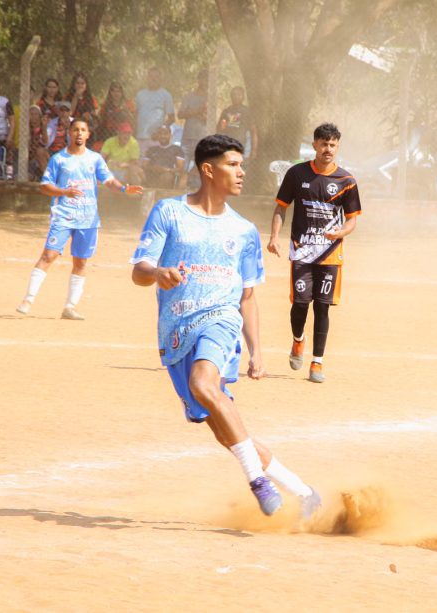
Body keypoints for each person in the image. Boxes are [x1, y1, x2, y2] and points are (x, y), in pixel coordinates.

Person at [130, 133, 321, 518]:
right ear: (208, 169)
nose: (241, 172)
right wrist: (158, 273)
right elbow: (139, 271)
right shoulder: (169, 213)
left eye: (241, 165)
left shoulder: (244, 230)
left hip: (220, 320)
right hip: (175, 332)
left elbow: (247, 297)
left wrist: (257, 352)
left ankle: (258, 482)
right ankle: (305, 493)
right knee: (224, 429)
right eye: (233, 165)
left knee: (203, 385)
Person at [16, 119, 143, 320]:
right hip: (63, 216)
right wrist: (63, 192)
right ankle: (28, 300)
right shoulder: (59, 159)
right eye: (75, 130)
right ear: (69, 133)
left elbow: (109, 180)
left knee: (81, 262)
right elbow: (44, 186)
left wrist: (123, 189)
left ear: (88, 134)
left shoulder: (95, 159)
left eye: (83, 130)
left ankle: (70, 307)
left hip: (88, 218)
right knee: (48, 256)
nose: (79, 133)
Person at [267, 123, 362, 383]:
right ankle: (298, 339)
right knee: (300, 304)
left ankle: (317, 362)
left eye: (332, 145)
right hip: (302, 251)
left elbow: (352, 220)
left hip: (330, 254)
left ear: (337, 147)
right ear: (314, 145)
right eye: (323, 144)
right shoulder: (297, 174)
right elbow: (281, 207)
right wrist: (274, 237)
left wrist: (341, 233)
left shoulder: (346, 180)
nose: (327, 149)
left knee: (322, 307)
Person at [135, 67, 175, 149]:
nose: (153, 79)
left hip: (156, 139)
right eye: (151, 76)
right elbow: (136, 114)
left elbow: (171, 118)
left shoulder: (166, 95)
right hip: (140, 138)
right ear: (147, 78)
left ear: (160, 79)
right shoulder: (140, 94)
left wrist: (160, 132)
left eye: (156, 77)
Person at [178, 69, 208, 176]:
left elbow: (209, 118)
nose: (206, 82)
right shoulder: (189, 96)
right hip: (187, 136)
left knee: (199, 168)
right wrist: (198, 111)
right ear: (199, 80)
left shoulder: (210, 98)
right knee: (183, 167)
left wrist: (191, 112)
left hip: (202, 137)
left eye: (207, 80)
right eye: (203, 79)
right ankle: (181, 185)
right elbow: (180, 114)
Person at [217, 85, 256, 158]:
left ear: (243, 97)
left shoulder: (247, 111)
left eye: (239, 94)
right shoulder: (226, 111)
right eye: (234, 94)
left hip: (242, 145)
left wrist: (254, 150)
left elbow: (253, 131)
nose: (236, 97)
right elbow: (221, 129)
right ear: (231, 96)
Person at [143, 124, 186, 189]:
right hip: (152, 174)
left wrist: (167, 170)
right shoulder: (151, 149)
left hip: (168, 175)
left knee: (167, 176)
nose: (163, 136)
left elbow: (180, 168)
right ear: (158, 135)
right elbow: (144, 165)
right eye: (160, 134)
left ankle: (160, 193)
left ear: (170, 135)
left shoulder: (177, 149)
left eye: (165, 134)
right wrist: (154, 168)